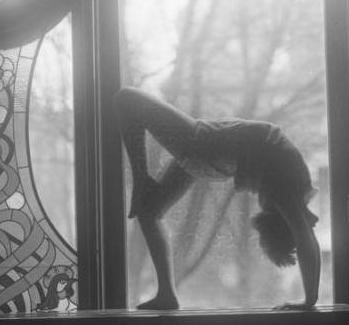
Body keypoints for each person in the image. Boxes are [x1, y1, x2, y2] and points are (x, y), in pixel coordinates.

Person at [115, 88, 320, 311]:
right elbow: (304, 233)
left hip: (203, 146)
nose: (313, 221)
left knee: (126, 99)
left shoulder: (285, 185)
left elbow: (303, 236)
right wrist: (310, 299)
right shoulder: (294, 188)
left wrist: (310, 301)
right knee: (149, 213)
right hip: (210, 158)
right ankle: (166, 294)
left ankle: (141, 179)